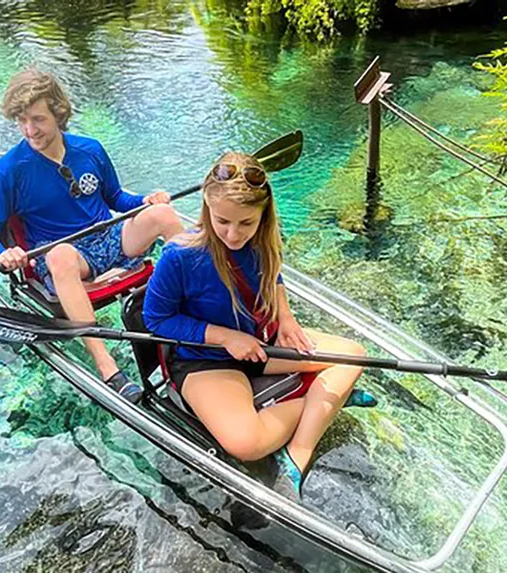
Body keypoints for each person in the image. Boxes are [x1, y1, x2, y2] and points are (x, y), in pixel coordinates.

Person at [142, 151, 376, 501]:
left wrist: (285, 317)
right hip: (206, 359)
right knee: (245, 444)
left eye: (245, 223)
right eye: (222, 221)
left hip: (259, 344)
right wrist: (225, 337)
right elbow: (157, 319)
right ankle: (324, 405)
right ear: (207, 207)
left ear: (262, 217)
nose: (233, 234)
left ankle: (297, 453)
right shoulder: (180, 255)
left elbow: (274, 276)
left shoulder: (264, 240)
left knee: (354, 356)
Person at [0, 69, 183, 404]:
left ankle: (194, 309)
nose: (30, 130)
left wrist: (145, 201)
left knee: (164, 215)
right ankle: (108, 367)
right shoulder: (7, 171)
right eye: (21, 121)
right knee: (59, 256)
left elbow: (116, 199)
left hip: (108, 239)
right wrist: (1, 254)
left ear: (58, 112)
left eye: (37, 119)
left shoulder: (90, 150)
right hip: (64, 257)